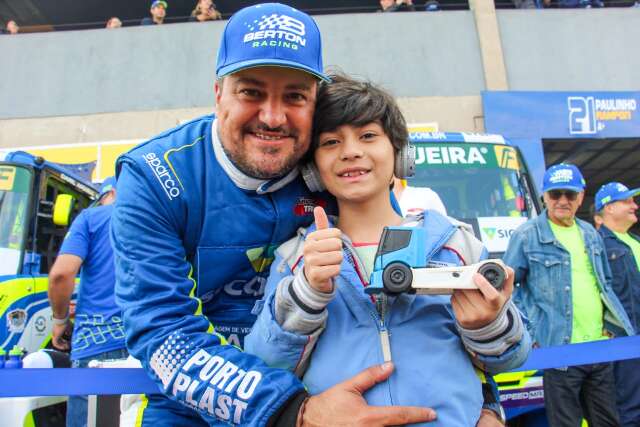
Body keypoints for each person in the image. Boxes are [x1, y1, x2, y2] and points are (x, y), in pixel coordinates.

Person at [111, 3, 435, 426]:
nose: (272, 117)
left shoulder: (336, 170)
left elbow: (412, 301)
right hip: (197, 407)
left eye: (295, 96)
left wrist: (481, 402)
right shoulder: (156, 176)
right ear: (218, 94)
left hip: (327, 392)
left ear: (315, 103)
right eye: (251, 91)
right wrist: (297, 414)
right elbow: (163, 334)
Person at [245, 74, 530, 426]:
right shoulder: (298, 257)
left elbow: (511, 358)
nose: (351, 152)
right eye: (331, 142)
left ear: (400, 153)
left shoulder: (455, 244)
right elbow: (265, 364)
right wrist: (306, 292)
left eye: (368, 136)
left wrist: (488, 325)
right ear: (313, 169)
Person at [503, 163, 635, 427]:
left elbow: (604, 282)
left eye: (570, 195)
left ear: (581, 197)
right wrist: (531, 330)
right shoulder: (527, 235)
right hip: (558, 349)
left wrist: (609, 325)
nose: (563, 201)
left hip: (598, 347)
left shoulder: (589, 233)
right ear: (544, 197)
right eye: (555, 194)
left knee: (608, 422)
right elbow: (507, 288)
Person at [48, 177, 128, 427]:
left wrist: (60, 320)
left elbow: (61, 275)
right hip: (145, 343)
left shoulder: (91, 218)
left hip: (96, 344)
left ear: (109, 194)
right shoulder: (157, 219)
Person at [595, 182, 640, 427]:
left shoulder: (634, 241)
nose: (634, 205)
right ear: (609, 208)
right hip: (624, 341)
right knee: (629, 408)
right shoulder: (597, 245)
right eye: (627, 201)